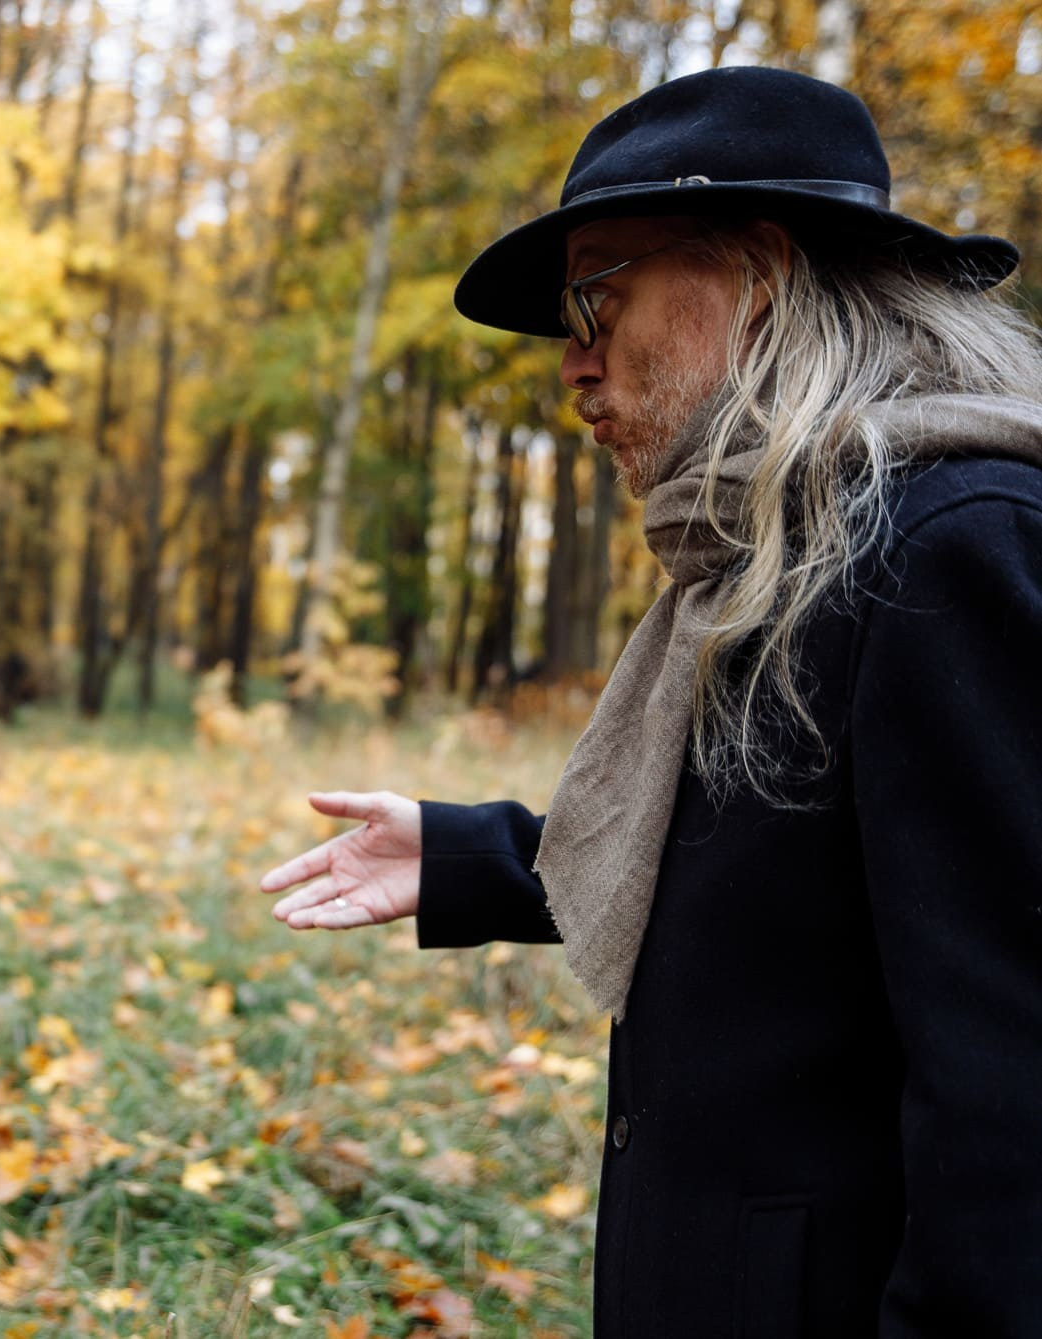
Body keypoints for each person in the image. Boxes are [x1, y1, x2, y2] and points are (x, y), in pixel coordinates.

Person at [261, 66, 1042, 1335]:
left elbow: (1013, 1093)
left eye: (595, 300)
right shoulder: (774, 548)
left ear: (761, 273)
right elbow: (794, 877)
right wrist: (476, 858)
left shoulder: (947, 546)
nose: (570, 365)